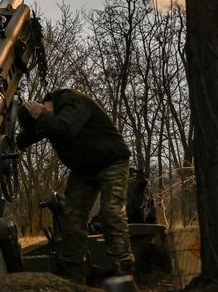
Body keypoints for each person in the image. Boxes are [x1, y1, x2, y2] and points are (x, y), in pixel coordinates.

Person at [16, 88, 134, 280]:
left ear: (43, 109)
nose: (43, 130)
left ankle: (124, 271)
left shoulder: (71, 100)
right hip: (84, 169)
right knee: (71, 217)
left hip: (111, 160)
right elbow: (35, 133)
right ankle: (75, 275)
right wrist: (17, 142)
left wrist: (43, 117)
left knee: (112, 214)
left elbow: (65, 128)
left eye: (42, 122)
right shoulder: (50, 118)